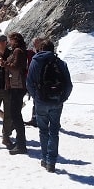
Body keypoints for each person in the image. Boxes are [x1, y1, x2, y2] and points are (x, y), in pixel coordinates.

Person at [26, 39, 73, 173]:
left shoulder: (35, 62)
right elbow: (69, 85)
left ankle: (45, 158)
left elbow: (29, 83)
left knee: (43, 130)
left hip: (41, 101)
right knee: (54, 131)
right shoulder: (60, 63)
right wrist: (62, 98)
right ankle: (51, 161)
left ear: (40, 49)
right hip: (57, 101)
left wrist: (36, 97)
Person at [5, 32, 28, 155]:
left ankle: (21, 145)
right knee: (16, 114)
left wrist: (4, 64)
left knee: (16, 115)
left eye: (10, 40)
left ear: (15, 40)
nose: (9, 42)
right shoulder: (19, 50)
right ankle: (20, 142)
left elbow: (16, 67)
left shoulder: (18, 51)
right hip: (17, 85)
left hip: (17, 86)